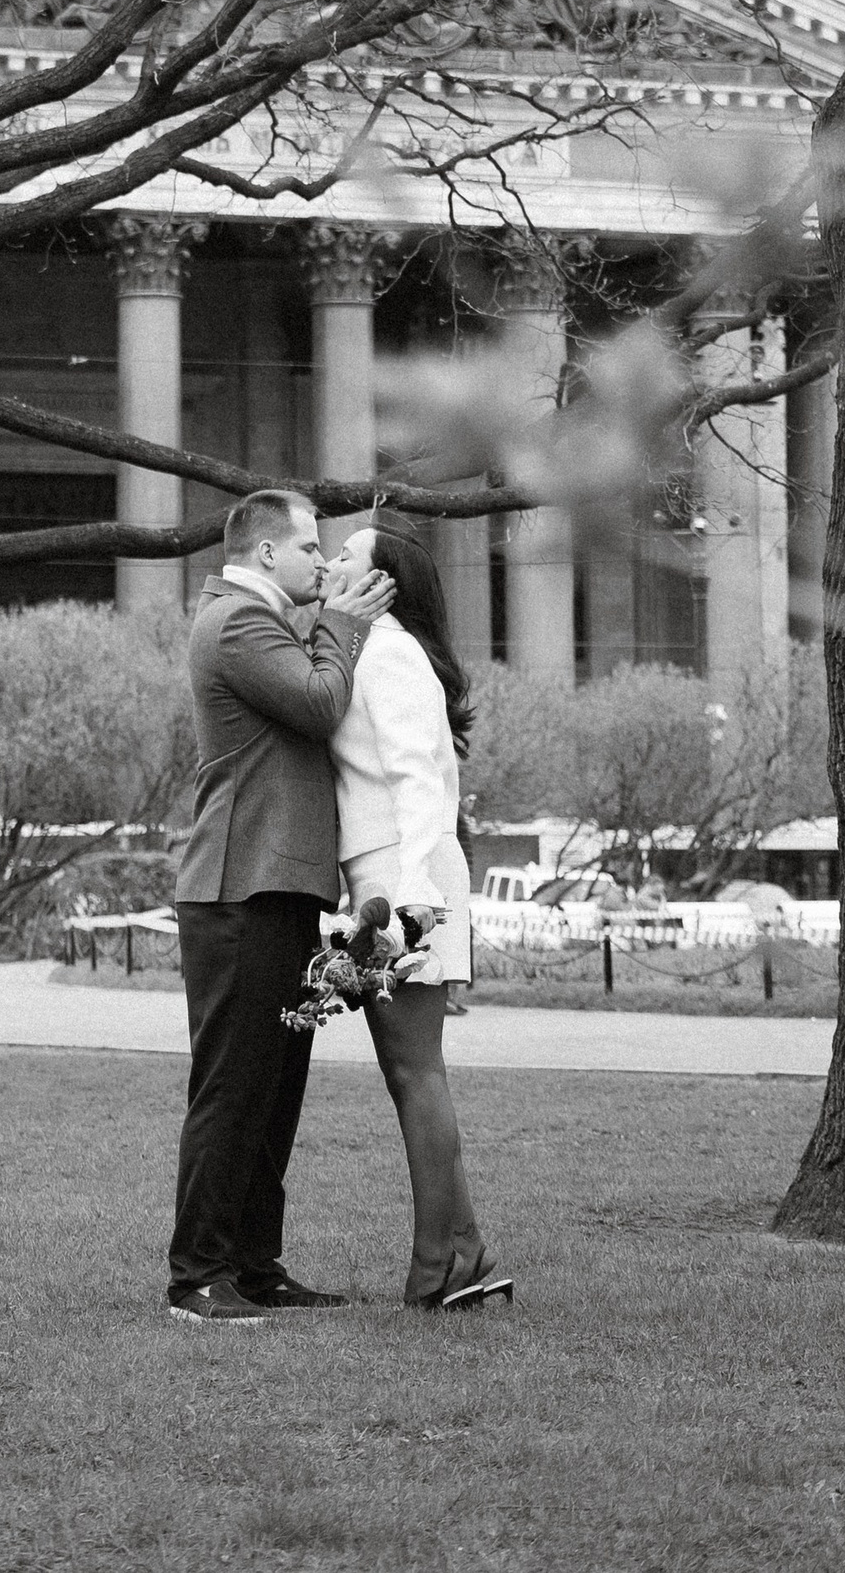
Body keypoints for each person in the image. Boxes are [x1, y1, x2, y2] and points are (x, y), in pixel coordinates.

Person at [167, 487, 393, 1323]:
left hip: (279, 881)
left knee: (274, 1087)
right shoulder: (238, 622)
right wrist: (345, 622)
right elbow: (319, 701)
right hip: (240, 886)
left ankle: (255, 1266)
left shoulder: (263, 620)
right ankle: (196, 1275)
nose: (322, 563)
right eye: (309, 550)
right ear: (265, 552)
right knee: (233, 1086)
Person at [330, 515, 513, 1312]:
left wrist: (412, 899)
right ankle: (465, 1253)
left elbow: (419, 785)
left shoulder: (393, 653)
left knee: (416, 1072)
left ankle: (435, 1265)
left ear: (382, 584)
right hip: (389, 876)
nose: (331, 561)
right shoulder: (365, 649)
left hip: (407, 881)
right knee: (410, 1073)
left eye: (346, 555)